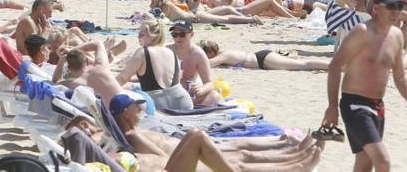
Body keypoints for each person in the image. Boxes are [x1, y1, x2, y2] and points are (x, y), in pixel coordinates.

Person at [107, 95, 324, 172]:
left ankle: (294, 156)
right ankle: (295, 162)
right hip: (179, 159)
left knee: (241, 156)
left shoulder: (133, 133)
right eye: (136, 107)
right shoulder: (132, 136)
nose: (140, 110)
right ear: (126, 112)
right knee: (240, 159)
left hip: (180, 153)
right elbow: (161, 157)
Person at [322, 0, 407, 172]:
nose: (396, 11)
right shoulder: (362, 32)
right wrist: (332, 106)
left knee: (364, 163)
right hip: (355, 104)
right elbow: (335, 66)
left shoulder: (397, 36)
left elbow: (399, 76)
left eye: (399, 6)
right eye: (391, 6)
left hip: (378, 106)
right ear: (376, 9)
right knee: (383, 161)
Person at [117, 19, 193, 111]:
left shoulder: (142, 53)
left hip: (157, 105)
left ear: (153, 35)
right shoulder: (171, 52)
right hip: (183, 101)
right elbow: (177, 78)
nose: (138, 37)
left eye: (141, 34)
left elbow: (122, 78)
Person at [167, 20, 220, 106]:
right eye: (175, 35)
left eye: (182, 34)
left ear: (192, 34)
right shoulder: (166, 50)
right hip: (167, 93)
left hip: (189, 95)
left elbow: (209, 83)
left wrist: (201, 91)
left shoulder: (198, 54)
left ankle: (190, 109)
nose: (178, 38)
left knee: (214, 96)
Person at [150, 0, 262, 25]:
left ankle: (251, 19)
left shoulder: (166, 5)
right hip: (194, 15)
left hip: (195, 17)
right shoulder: (162, 6)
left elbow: (158, 20)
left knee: (225, 20)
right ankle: (249, 18)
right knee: (225, 13)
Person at [200, 40, 330, 71]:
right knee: (301, 64)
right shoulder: (224, 55)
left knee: (302, 65)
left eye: (205, 55)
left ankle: (335, 66)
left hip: (263, 60)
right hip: (263, 58)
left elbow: (208, 65)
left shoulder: (225, 55)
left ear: (211, 52)